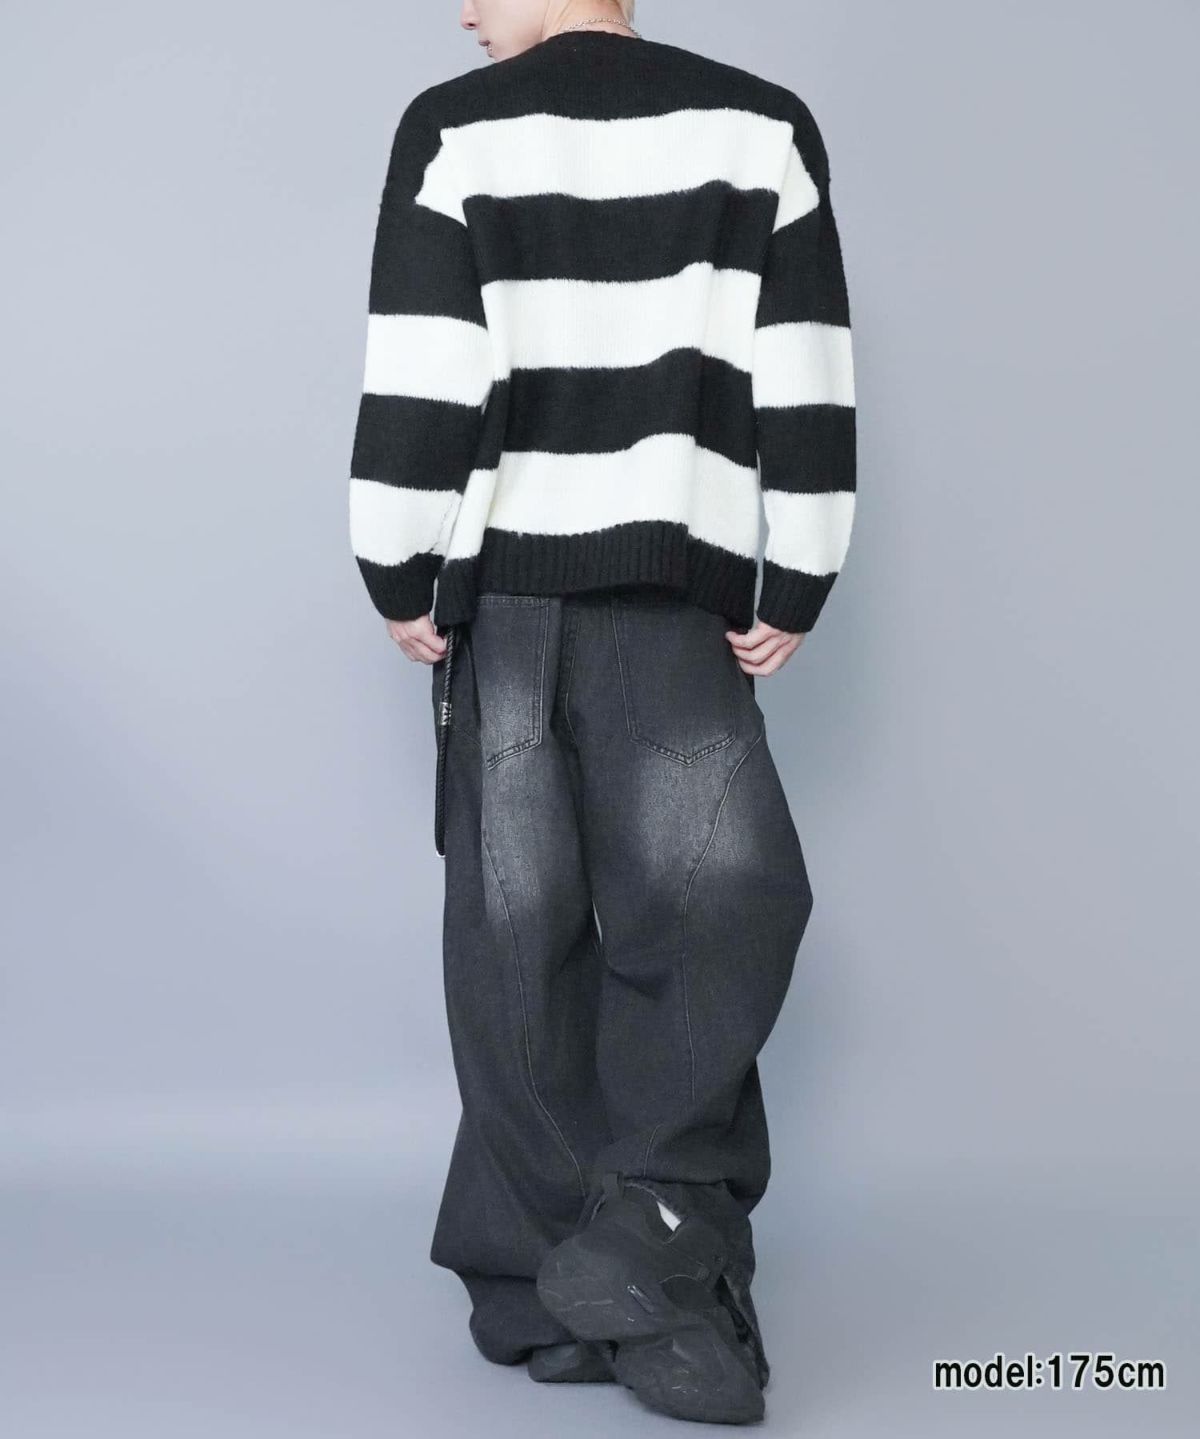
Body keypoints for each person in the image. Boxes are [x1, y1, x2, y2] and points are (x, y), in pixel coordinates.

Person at [347, 0, 856, 1424]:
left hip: (508, 607)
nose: (461, 9)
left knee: (522, 941)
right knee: (704, 913)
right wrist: (800, 567)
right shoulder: (758, 126)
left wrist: (395, 561)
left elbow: (423, 366)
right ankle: (644, 1236)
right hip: (671, 594)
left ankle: (560, 1273)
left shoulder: (454, 130)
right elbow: (802, 364)